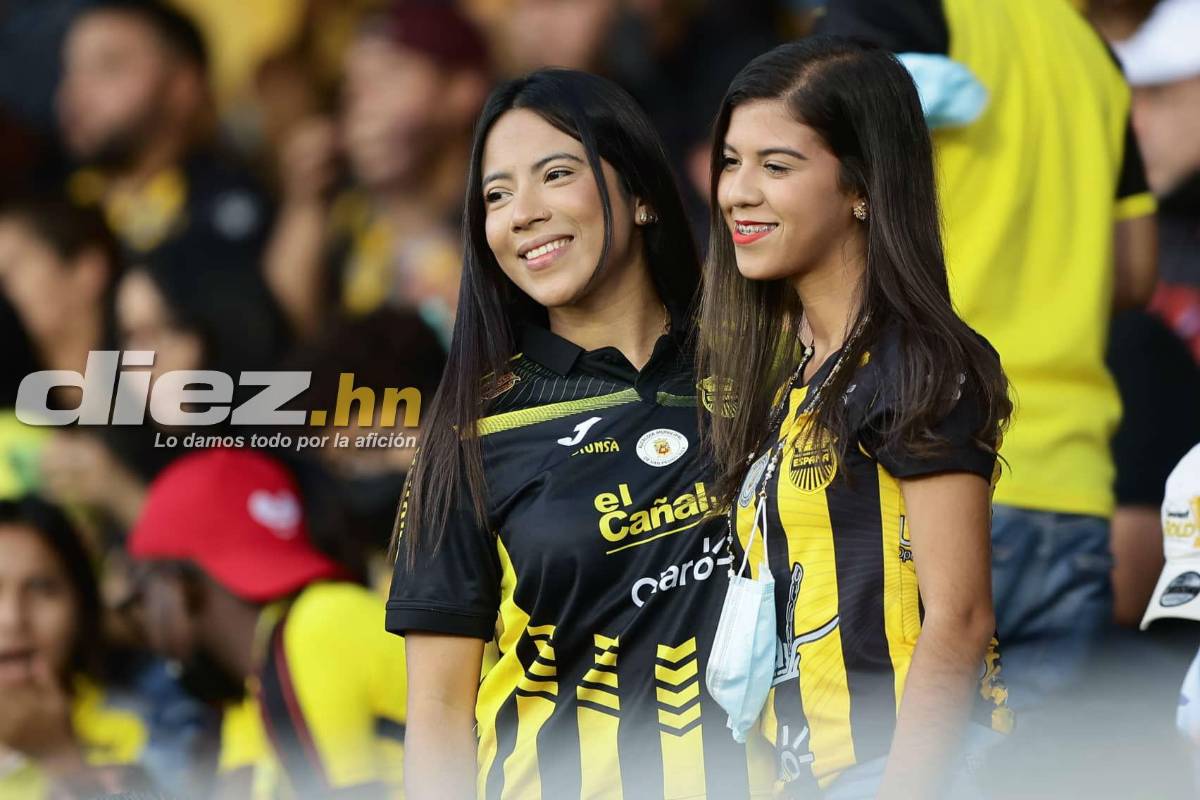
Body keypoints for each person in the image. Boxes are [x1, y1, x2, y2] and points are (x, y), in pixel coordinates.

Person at [387, 68, 773, 799]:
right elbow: (437, 713)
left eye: (554, 174)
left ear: (641, 195)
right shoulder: (468, 437)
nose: (521, 214)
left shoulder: (765, 378)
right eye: (496, 196)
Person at [819, 0, 1159, 712]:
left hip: (925, 464)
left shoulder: (897, 10)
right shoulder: (1087, 49)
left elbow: (806, 182)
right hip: (1070, 484)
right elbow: (1135, 270)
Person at [697, 38, 1013, 799]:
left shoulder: (916, 361)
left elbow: (960, 618)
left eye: (776, 166)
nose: (739, 191)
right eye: (731, 162)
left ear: (861, 187)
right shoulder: (792, 377)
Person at [127, 448, 408, 799]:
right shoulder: (260, 673)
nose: (140, 618)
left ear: (180, 587)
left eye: (139, 596)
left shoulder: (315, 628)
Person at [264, 1, 491, 342]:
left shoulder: (503, 201)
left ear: (462, 91)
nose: (362, 98)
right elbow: (281, 334)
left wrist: (404, 199)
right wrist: (305, 202)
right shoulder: (346, 207)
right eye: (352, 83)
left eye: (389, 74)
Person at [58, 0, 272, 269]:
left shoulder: (230, 208)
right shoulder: (57, 206)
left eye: (108, 67)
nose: (75, 93)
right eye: (70, 70)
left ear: (181, 86)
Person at [0, 496, 172, 799]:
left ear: (82, 607)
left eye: (41, 588)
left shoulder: (149, 733)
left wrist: (61, 759)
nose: (12, 618)